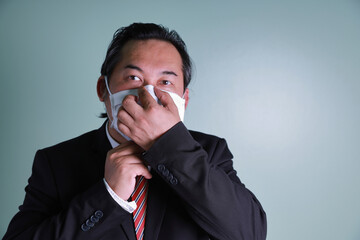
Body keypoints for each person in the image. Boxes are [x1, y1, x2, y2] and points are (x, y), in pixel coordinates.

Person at [3, 23, 267, 240]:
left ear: (184, 99)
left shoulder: (211, 151)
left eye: (165, 81)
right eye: (134, 78)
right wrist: (107, 196)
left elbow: (249, 233)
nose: (147, 94)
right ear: (103, 90)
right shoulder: (56, 162)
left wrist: (169, 148)